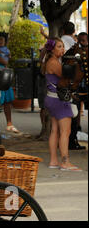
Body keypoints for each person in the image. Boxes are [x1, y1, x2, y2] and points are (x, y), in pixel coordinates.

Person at [42, 38, 82, 171]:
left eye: (63, 46)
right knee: (66, 131)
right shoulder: (54, 63)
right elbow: (67, 77)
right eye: (59, 47)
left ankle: (54, 161)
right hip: (59, 101)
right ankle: (65, 162)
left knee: (55, 130)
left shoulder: (49, 61)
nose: (63, 49)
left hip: (51, 98)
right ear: (52, 49)